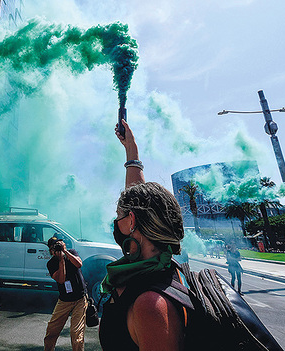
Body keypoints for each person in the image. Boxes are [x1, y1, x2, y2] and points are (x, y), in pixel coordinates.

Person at [99, 119, 191, 351]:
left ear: (131, 222)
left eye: (119, 215)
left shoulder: (150, 306)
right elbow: (141, 201)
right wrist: (132, 153)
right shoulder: (164, 266)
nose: (115, 221)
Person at [44, 237, 87, 351]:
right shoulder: (51, 264)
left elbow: (79, 264)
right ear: (50, 250)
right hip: (64, 301)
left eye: (59, 245)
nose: (57, 249)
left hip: (80, 298)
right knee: (51, 331)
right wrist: (61, 260)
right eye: (54, 248)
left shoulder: (71, 252)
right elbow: (61, 280)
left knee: (76, 333)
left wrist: (66, 252)